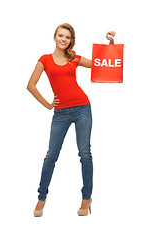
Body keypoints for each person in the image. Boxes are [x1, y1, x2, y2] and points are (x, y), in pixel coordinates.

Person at [27, 23, 115, 216]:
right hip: (60, 113)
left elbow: (99, 63)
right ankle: (41, 198)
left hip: (83, 108)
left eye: (67, 37)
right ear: (54, 37)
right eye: (60, 35)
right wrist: (48, 104)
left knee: (85, 153)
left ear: (70, 41)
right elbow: (31, 85)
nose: (63, 39)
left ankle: (86, 199)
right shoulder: (44, 59)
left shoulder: (74, 58)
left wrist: (110, 43)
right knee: (51, 155)